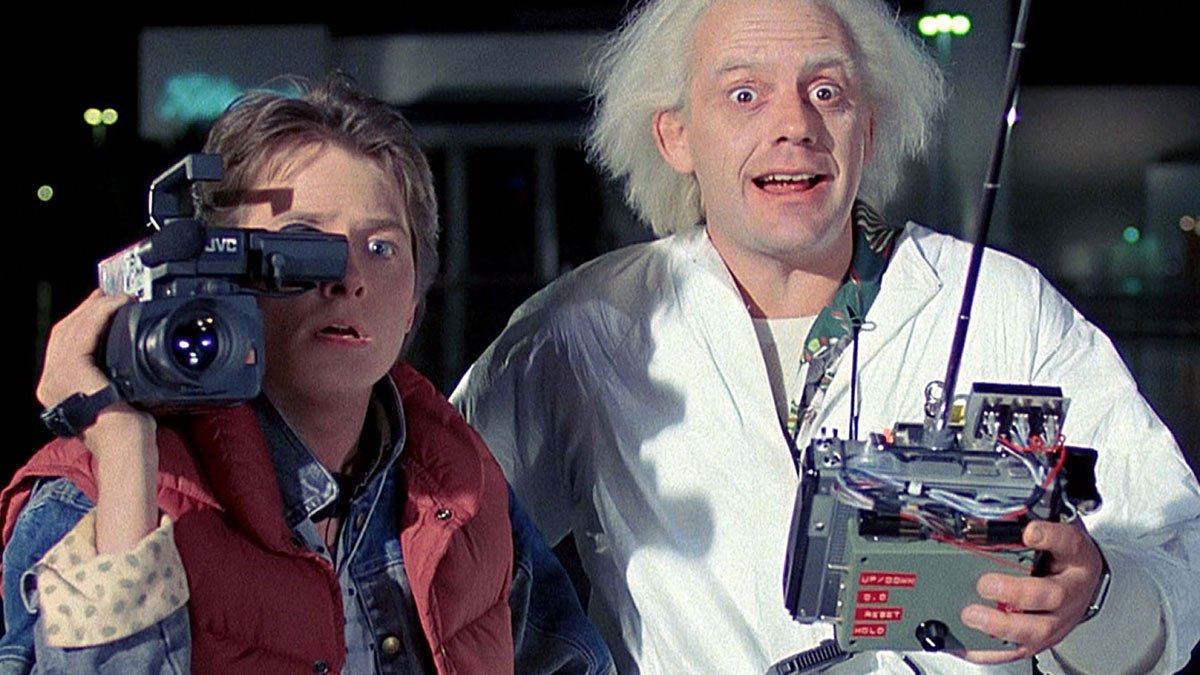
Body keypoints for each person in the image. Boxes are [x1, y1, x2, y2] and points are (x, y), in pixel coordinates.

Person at [450, 0, 1200, 673]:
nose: (795, 125)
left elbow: (1179, 566)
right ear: (676, 135)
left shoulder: (1008, 308)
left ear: (867, 130)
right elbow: (437, 543)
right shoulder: (583, 330)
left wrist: (1094, 596)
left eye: (827, 92)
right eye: (745, 94)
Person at [0, 75, 613, 675]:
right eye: (300, 245)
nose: (348, 279)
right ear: (215, 274)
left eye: (380, 247)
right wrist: (122, 452)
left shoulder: (463, 486)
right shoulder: (94, 497)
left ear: (412, 305)